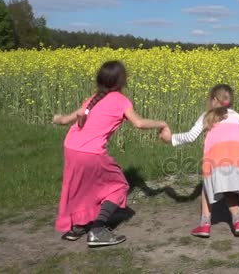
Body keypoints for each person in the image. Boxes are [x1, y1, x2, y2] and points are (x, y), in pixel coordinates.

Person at [52, 60, 167, 247]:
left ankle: (78, 227)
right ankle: (97, 230)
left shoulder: (93, 98)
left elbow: (67, 119)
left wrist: (57, 119)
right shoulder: (121, 101)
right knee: (119, 186)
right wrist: (161, 123)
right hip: (90, 151)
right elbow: (138, 123)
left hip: (71, 147)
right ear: (121, 81)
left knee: (81, 187)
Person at [160, 84, 239, 238]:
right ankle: (238, 222)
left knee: (207, 185)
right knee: (230, 188)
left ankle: (205, 225)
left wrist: (170, 139)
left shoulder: (207, 116)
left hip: (217, 158)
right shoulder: (238, 117)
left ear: (213, 100)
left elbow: (191, 136)